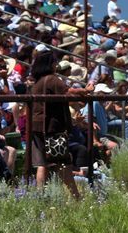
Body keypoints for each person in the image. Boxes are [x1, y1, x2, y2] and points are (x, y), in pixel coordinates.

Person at [30, 50, 86, 198]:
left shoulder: (37, 82)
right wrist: (85, 90)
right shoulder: (52, 79)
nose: (56, 65)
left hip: (37, 127)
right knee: (63, 163)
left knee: (42, 164)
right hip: (52, 127)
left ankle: (39, 196)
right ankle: (76, 196)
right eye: (55, 62)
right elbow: (70, 92)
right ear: (50, 64)